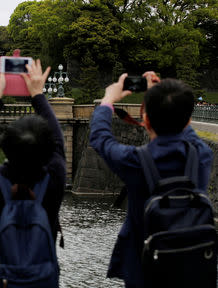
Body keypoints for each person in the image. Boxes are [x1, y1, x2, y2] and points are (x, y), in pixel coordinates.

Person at [89, 72, 213, 287]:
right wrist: (170, 97)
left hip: (144, 270)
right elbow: (185, 128)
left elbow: (100, 138)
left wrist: (108, 100)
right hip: (192, 266)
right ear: (189, 120)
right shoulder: (202, 154)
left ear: (145, 120)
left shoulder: (135, 162)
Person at [0, 60, 66, 287]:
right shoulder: (54, 178)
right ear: (48, 149)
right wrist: (38, 95)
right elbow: (59, 142)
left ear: (5, 147)